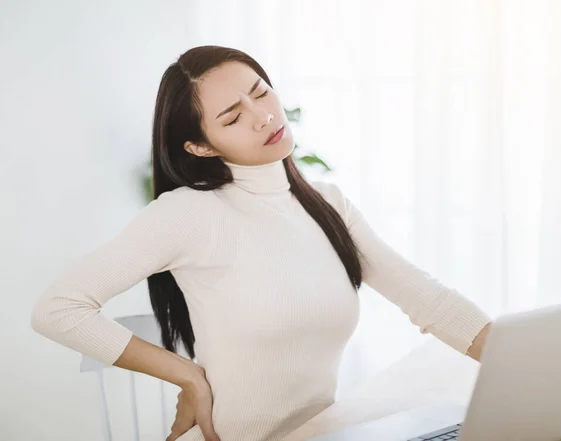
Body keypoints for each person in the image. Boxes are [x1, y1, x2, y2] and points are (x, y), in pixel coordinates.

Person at [30, 45, 495, 441]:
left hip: (318, 432)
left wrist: (540, 372)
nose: (264, 116)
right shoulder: (189, 214)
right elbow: (58, 309)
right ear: (201, 146)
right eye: (233, 117)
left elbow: (427, 298)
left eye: (260, 91)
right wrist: (186, 374)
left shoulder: (326, 204)